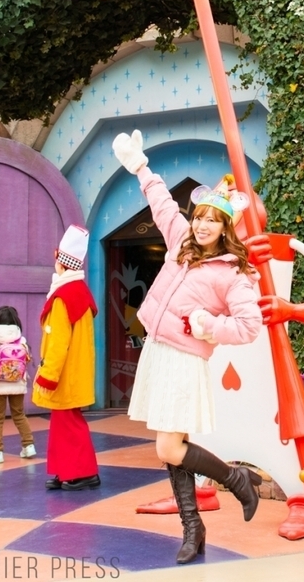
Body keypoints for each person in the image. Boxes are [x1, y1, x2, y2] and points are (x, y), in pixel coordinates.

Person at [113, 130, 263, 565]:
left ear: (226, 227)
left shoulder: (233, 273)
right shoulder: (181, 241)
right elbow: (162, 203)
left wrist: (209, 326)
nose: (201, 225)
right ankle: (192, 529)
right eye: (199, 217)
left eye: (212, 220)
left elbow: (249, 326)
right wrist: (141, 167)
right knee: (172, 446)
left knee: (167, 448)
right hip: (158, 351)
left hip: (184, 360)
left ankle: (236, 479)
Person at [32, 224, 100, 491]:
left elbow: (58, 342)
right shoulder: (80, 293)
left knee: (68, 425)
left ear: (60, 263)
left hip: (64, 374)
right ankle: (66, 470)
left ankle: (83, 472)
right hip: (76, 371)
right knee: (66, 424)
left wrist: (48, 375)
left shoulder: (62, 297)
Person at [0, 305, 35, 464]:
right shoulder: (20, 338)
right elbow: (27, 359)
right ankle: (28, 446)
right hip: (16, 381)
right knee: (19, 414)